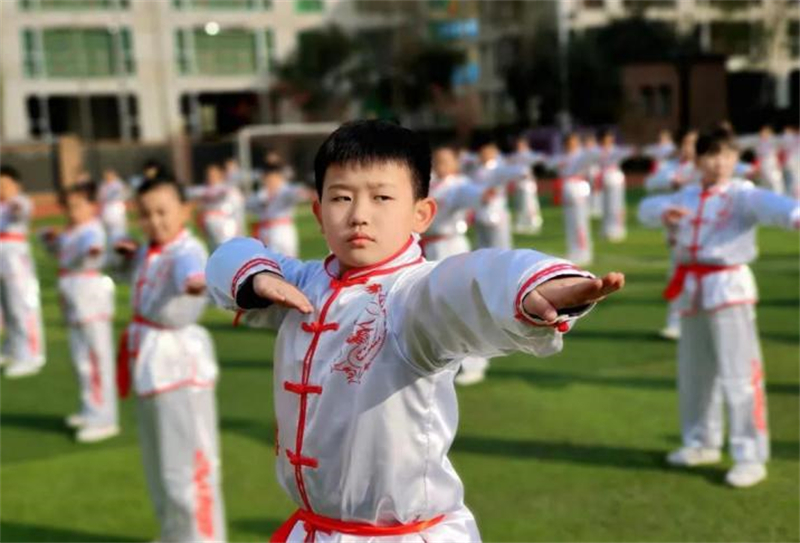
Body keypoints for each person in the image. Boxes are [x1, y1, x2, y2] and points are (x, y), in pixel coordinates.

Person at [206, 120, 625, 542]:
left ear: (421, 213)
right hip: (315, 531)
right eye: (341, 197)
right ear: (318, 212)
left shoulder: (412, 294)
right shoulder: (303, 283)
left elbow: (471, 280)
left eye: (382, 197)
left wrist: (529, 284)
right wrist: (255, 277)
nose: (358, 215)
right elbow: (232, 253)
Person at [638, 126, 800, 488]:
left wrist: (795, 215)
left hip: (729, 288)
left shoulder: (742, 194)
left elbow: (778, 208)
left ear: (735, 158)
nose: (720, 163)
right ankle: (700, 441)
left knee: (740, 375)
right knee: (695, 372)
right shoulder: (688, 195)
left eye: (728, 155)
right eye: (711, 155)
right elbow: (647, 209)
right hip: (693, 290)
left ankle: (750, 454)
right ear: (698, 160)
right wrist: (663, 212)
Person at [115, 176, 226, 541]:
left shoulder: (185, 250)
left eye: (163, 212)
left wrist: (197, 282)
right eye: (145, 214)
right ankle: (175, 533)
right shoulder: (152, 249)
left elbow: (192, 274)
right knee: (160, 464)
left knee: (189, 467)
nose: (155, 221)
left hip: (178, 360)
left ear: (185, 210)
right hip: (150, 357)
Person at [40, 182, 118, 442]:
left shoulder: (92, 229)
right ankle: (90, 408)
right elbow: (59, 252)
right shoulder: (71, 231)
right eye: (68, 206)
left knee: (97, 359)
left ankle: (105, 418)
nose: (72, 211)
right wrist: (50, 241)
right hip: (72, 294)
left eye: (78, 205)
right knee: (81, 359)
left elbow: (92, 246)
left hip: (90, 293)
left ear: (92, 206)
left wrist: (93, 251)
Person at [644, 129, 699, 340]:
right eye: (685, 143)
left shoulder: (703, 168)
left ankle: (695, 321)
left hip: (703, 229)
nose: (688, 148)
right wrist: (670, 182)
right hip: (677, 228)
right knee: (678, 274)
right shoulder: (672, 168)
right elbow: (650, 183)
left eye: (693, 144)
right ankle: (675, 323)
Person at [0, 165, 46, 378]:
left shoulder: (19, 202)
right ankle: (12, 348)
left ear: (16, 185)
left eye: (5, 184)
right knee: (7, 308)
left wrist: (14, 201)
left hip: (16, 260)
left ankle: (30, 356)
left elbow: (21, 210)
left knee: (22, 307)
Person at [247, 164, 313, 258]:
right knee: (269, 261)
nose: (271, 181)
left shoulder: (285, 190)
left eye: (273, 177)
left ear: (279, 177)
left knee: (289, 260)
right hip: (265, 231)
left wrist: (305, 193)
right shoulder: (261, 194)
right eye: (267, 178)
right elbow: (249, 205)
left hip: (283, 230)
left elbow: (298, 193)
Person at [549, 133, 593, 265]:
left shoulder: (582, 155)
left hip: (578, 187)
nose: (570, 145)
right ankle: (573, 249)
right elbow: (550, 164)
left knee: (580, 221)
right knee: (570, 221)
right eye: (568, 142)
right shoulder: (562, 156)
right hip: (566, 188)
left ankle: (583, 251)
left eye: (573, 142)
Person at [188, 162, 244, 250]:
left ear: (220, 173)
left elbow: (238, 213)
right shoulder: (203, 191)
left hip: (227, 230)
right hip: (211, 233)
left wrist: (239, 231)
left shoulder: (230, 190)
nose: (211, 176)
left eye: (214, 173)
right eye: (209, 174)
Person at [507, 135, 544, 235]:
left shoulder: (528, 154)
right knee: (519, 205)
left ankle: (534, 223)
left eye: (521, 144)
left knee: (530, 204)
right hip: (519, 184)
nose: (519, 146)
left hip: (528, 184)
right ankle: (521, 223)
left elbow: (540, 158)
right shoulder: (515, 156)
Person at [97, 168, 129, 244]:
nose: (107, 177)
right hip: (106, 211)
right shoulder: (103, 185)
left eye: (109, 175)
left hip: (116, 210)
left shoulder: (118, 184)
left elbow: (122, 195)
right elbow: (100, 197)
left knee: (119, 232)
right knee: (107, 234)